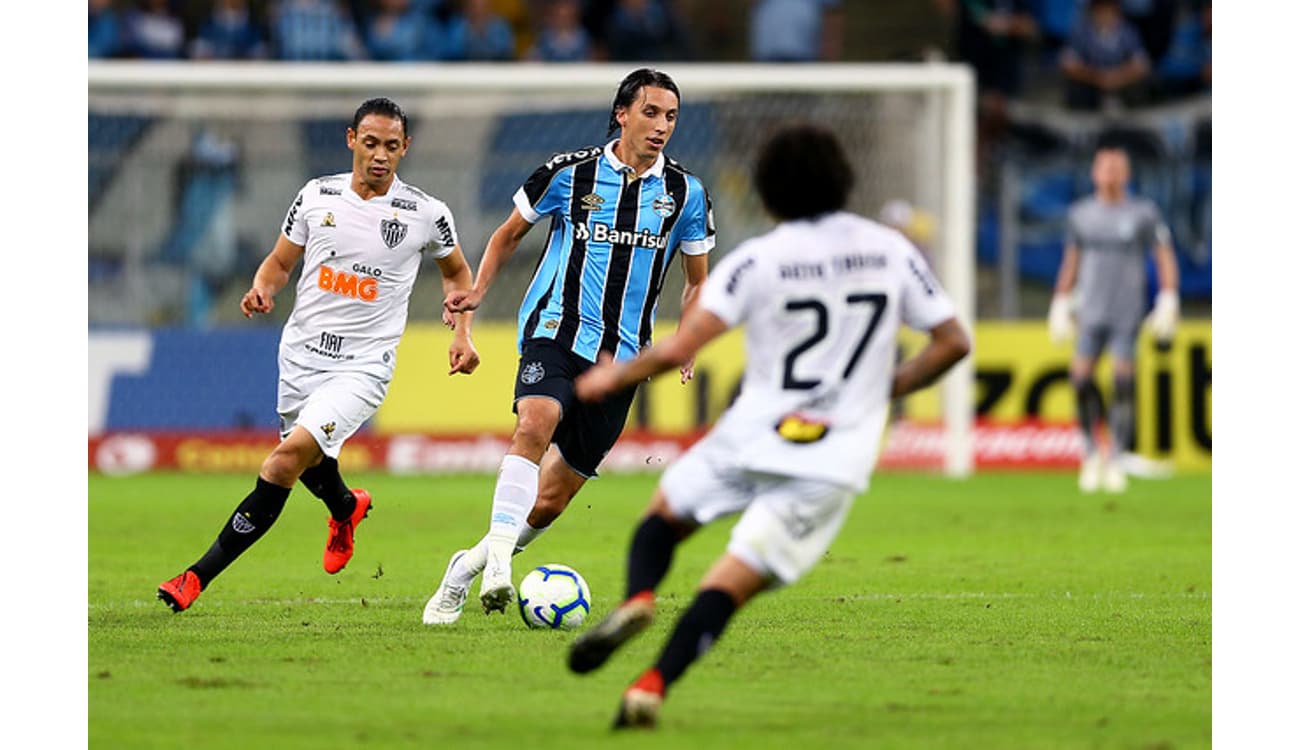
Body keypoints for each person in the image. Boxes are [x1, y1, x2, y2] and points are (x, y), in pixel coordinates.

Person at [565, 122, 970, 729]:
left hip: (754, 431)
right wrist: (882, 389)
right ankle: (650, 686)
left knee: (663, 518)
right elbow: (951, 342)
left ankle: (639, 598)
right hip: (835, 454)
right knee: (730, 582)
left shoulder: (760, 256)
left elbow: (683, 346)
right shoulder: (890, 249)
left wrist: (613, 377)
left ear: (769, 194)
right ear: (843, 180)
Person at [157, 97, 481, 613]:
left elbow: (458, 275)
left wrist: (462, 330)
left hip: (363, 365)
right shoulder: (316, 196)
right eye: (370, 143)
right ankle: (345, 506)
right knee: (309, 461)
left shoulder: (424, 213)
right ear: (350, 139)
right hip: (300, 355)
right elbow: (280, 262)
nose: (380, 155)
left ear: (406, 148)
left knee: (285, 460)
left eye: (392, 146)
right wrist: (262, 287)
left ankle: (195, 577)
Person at [423, 68, 715, 625]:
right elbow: (508, 233)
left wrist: (689, 337)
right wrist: (477, 292)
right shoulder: (569, 173)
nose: (661, 126)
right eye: (651, 112)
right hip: (556, 329)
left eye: (671, 116)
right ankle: (500, 572)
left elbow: (697, 279)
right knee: (534, 423)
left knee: (551, 499)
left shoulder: (686, 193)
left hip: (624, 360)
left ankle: (469, 566)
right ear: (622, 114)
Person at [1048, 144, 1178, 493]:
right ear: (1094, 172)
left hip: (1126, 310)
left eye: (1116, 168)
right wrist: (1060, 301)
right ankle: (1091, 453)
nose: (1110, 174)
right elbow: (1071, 261)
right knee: (1080, 378)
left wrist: (1168, 297)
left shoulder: (1143, 213)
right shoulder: (1081, 214)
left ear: (1127, 174)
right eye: (1104, 167)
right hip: (1090, 310)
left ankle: (1116, 457)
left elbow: (1164, 254)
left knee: (1122, 382)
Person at [1059, 0, 1151, 111]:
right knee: (1076, 90)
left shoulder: (1129, 32)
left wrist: (1117, 78)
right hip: (1092, 83)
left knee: (1139, 88)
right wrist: (1098, 78)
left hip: (1121, 82)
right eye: (1100, 11)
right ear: (1092, 12)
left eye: (1109, 11)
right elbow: (1068, 64)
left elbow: (1142, 65)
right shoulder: (1080, 32)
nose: (1105, 16)